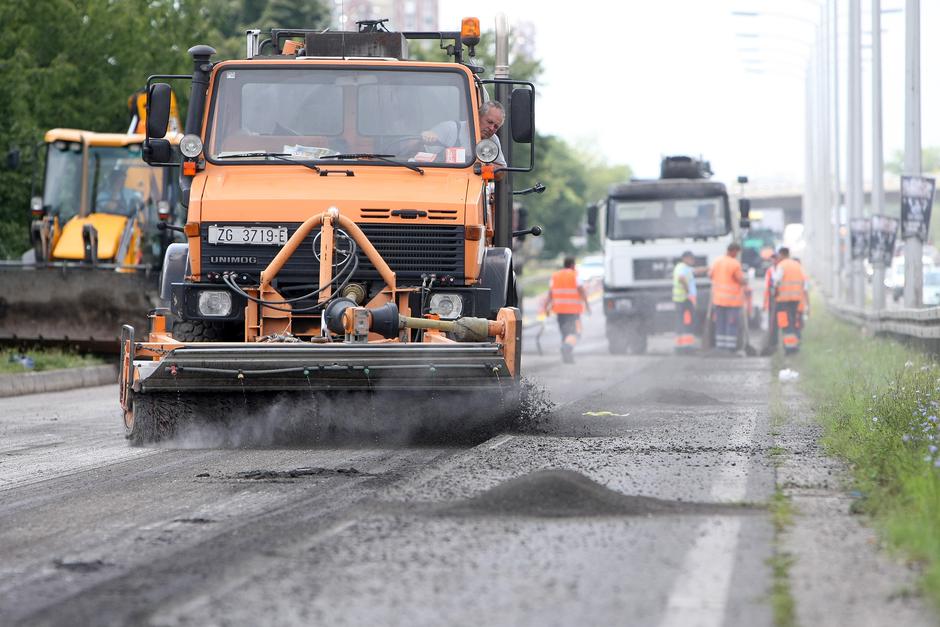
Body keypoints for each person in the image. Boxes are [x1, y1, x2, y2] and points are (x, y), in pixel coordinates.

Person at [420, 101, 506, 167]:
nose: (491, 128)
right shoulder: (449, 129)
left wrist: (484, 164)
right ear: (477, 115)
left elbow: (502, 170)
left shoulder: (493, 140)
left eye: (496, 127)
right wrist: (425, 137)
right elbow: (417, 152)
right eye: (489, 122)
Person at [544, 256, 592, 364]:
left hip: (560, 311)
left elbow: (550, 293)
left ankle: (567, 358)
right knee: (575, 333)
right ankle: (566, 348)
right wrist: (587, 306)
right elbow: (581, 291)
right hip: (573, 311)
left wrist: (546, 307)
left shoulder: (555, 276)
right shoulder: (575, 275)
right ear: (572, 265)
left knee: (565, 334)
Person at [709, 242, 748, 353]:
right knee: (731, 323)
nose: (737, 254)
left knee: (720, 323)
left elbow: (710, 275)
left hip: (718, 299)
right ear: (734, 251)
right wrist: (745, 281)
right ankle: (730, 348)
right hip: (732, 301)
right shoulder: (734, 264)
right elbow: (740, 279)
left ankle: (720, 347)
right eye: (737, 252)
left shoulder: (717, 261)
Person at [772, 247, 807, 355]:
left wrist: (775, 291)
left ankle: (789, 348)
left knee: (785, 323)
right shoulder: (797, 265)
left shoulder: (781, 265)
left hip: (783, 300)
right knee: (793, 321)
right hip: (796, 300)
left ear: (782, 255)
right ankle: (795, 346)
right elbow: (803, 281)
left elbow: (776, 281)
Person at [672, 250, 702, 353]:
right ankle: (683, 346)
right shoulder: (681, 268)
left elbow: (696, 271)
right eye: (691, 258)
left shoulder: (686, 268)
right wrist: (687, 290)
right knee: (685, 322)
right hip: (683, 299)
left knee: (686, 321)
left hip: (684, 299)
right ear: (685, 258)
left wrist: (710, 268)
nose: (692, 260)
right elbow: (681, 278)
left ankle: (685, 345)